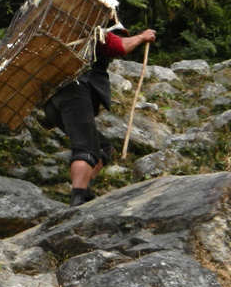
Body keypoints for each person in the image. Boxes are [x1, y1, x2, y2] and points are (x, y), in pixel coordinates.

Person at [42, 23, 157, 206]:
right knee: (85, 148)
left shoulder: (66, 33)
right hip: (75, 92)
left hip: (52, 99)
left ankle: (85, 190)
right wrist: (142, 37)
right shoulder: (93, 28)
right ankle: (77, 201)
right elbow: (117, 46)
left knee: (103, 148)